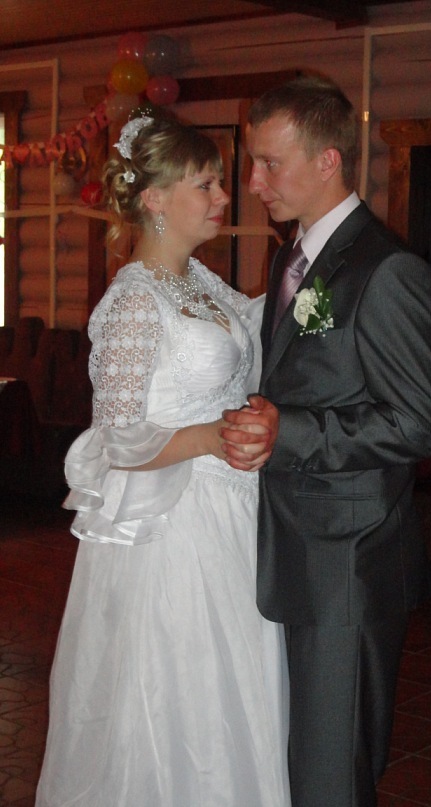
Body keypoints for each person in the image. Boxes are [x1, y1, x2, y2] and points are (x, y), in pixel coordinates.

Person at [36, 115, 291, 807]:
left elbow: (256, 332)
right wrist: (211, 437)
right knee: (178, 685)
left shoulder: (201, 282)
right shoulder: (132, 301)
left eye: (218, 182)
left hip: (231, 509)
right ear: (153, 197)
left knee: (235, 681)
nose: (222, 196)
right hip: (173, 526)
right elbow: (118, 438)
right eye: (205, 183)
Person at [222, 76, 431, 807]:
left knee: (330, 772)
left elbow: (418, 421)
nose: (253, 182)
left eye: (269, 163)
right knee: (308, 760)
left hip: (349, 560)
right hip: (298, 546)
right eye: (252, 163)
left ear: (327, 161)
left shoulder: (387, 269)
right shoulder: (294, 258)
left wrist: (289, 432)